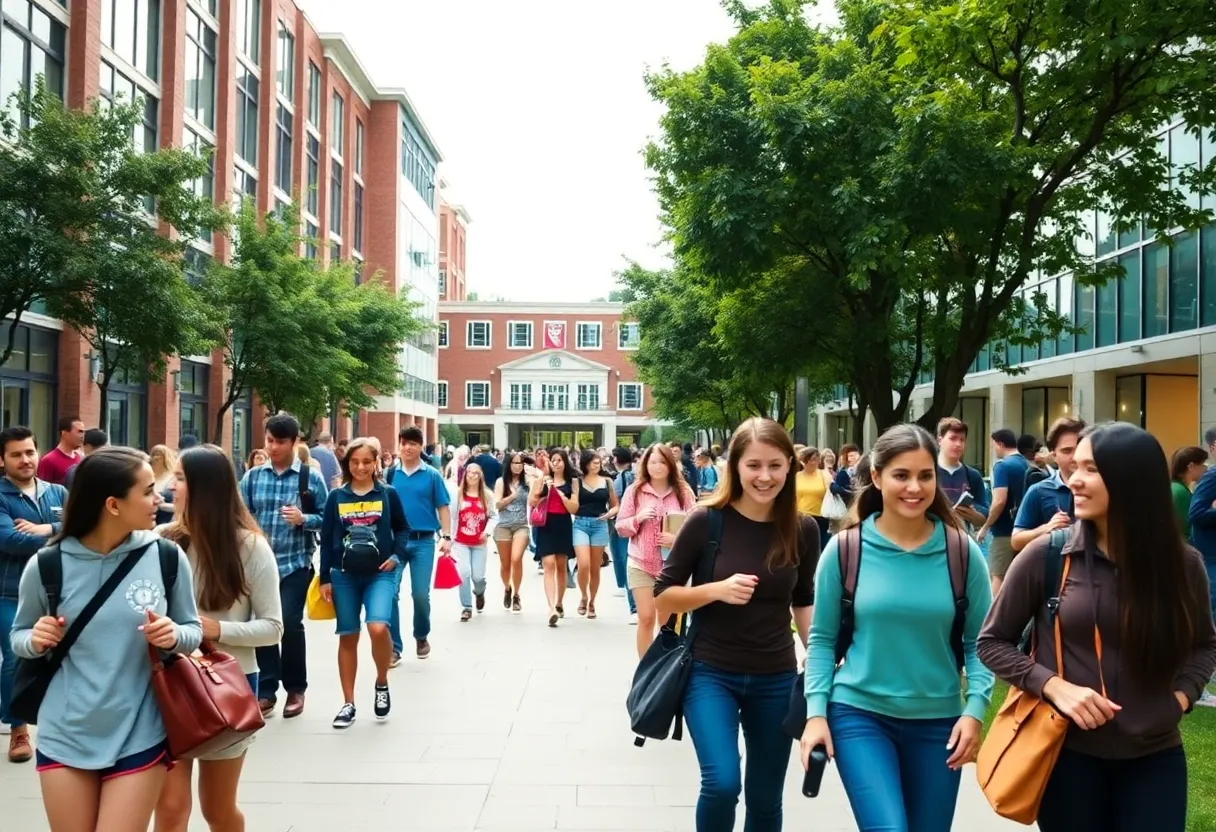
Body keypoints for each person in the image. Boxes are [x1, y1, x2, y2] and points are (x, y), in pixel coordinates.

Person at [978, 422, 1216, 831]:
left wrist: (1178, 699)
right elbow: (992, 642)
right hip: (1067, 756)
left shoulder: (1182, 564)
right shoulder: (1048, 555)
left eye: (1091, 469)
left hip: (1155, 757)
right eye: (1075, 467)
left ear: (1130, 479)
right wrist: (1054, 686)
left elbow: (1204, 646)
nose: (1075, 479)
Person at [801, 424, 994, 832]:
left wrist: (975, 711)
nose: (915, 487)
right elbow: (821, 641)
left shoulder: (962, 552)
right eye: (901, 475)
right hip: (859, 715)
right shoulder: (845, 549)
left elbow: (981, 644)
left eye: (925, 475)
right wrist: (815, 714)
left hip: (939, 721)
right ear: (876, 477)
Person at [11, 447, 202, 832]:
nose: (159, 500)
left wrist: (172, 635)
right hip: (65, 731)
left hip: (141, 728)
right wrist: (36, 639)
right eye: (148, 491)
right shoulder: (47, 563)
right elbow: (19, 635)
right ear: (113, 505)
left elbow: (191, 629)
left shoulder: (165, 556)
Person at [655, 417, 819, 832]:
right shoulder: (706, 521)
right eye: (754, 465)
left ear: (789, 467)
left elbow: (803, 600)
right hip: (710, 673)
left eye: (775, 465)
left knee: (765, 798)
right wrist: (716, 590)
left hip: (777, 677)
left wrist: (817, 658)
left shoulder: (803, 529)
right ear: (736, 468)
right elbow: (664, 595)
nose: (765, 477)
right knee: (723, 783)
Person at [153, 445, 283, 832]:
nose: (170, 486)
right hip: (168, 683)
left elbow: (274, 627)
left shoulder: (251, 547)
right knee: (172, 807)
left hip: (228, 689)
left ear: (204, 487)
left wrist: (217, 630)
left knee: (217, 809)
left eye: (179, 479)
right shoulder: (162, 540)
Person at [240, 413, 328, 719]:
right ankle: (266, 690)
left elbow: (327, 519)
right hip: (258, 566)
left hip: (295, 564)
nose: (273, 447)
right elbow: (241, 515)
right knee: (264, 624)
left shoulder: (309, 478)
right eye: (269, 440)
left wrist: (304, 519)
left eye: (280, 442)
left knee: (289, 623)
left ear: (294, 443)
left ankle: (295, 688)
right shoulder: (252, 477)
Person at [319, 437, 409, 728]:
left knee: (378, 626)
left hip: (380, 573)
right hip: (343, 576)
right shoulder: (337, 497)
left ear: (376, 464)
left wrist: (396, 555)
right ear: (347, 464)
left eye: (366, 462)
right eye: (354, 462)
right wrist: (324, 578)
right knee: (348, 635)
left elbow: (402, 529)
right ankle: (348, 703)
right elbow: (327, 538)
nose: (360, 467)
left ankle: (381, 682)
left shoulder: (388, 494)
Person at [0, 426, 66, 763]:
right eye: (16, 454)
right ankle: (18, 729)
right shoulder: (0, 496)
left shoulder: (57, 492)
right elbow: (10, 541)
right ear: (2, 460)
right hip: (9, 593)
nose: (25, 460)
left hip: (59, 591)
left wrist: (47, 529)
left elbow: (83, 527)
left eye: (30, 452)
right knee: (15, 658)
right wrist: (62, 534)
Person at [616, 444, 696, 656]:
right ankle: (644, 669)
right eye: (653, 462)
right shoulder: (635, 491)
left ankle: (663, 668)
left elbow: (698, 529)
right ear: (645, 464)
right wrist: (638, 519)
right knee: (646, 617)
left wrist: (676, 539)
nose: (657, 467)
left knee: (666, 621)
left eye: (662, 462)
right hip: (640, 562)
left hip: (673, 566)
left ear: (670, 464)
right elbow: (620, 527)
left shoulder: (684, 492)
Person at [385, 426, 452, 661]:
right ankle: (394, 646)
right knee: (390, 593)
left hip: (423, 542)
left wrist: (446, 536)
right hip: (395, 542)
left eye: (412, 443)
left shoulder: (432, 475)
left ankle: (421, 635)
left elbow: (443, 507)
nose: (407, 448)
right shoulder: (390, 475)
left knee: (420, 594)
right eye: (403, 443)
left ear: (420, 446)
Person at [1012, 417, 1086, 553]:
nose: (1075, 456)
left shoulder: (1102, 488)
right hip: (1054, 569)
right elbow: (1016, 540)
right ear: (1054, 455)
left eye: (1079, 448)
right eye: (1067, 451)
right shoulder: (1039, 491)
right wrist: (1046, 529)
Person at [529, 448, 579, 627]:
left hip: (563, 523)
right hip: (546, 524)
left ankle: (559, 602)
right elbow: (531, 502)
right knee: (548, 563)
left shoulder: (572, 482)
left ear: (565, 462)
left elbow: (574, 508)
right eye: (553, 460)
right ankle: (550, 607)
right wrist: (543, 492)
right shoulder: (542, 479)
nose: (556, 463)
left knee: (560, 564)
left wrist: (561, 495)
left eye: (560, 460)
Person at [978, 428, 1030, 595]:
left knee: (998, 577)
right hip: (1025, 531)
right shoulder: (1026, 464)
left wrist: (986, 526)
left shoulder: (1002, 466)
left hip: (1003, 532)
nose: (994, 450)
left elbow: (999, 500)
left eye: (994, 445)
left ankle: (994, 618)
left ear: (1000, 444)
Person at [448, 462, 498, 621]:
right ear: (465, 474)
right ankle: (466, 607)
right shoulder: (458, 495)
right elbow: (451, 517)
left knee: (478, 577)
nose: (472, 475)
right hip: (460, 541)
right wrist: (448, 537)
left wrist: (487, 532)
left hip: (479, 542)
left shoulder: (487, 495)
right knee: (463, 573)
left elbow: (494, 516)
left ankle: (480, 591)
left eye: (476, 473)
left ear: (480, 476)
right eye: (470, 472)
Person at [572, 450, 618, 619]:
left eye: (598, 462)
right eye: (593, 462)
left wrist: (609, 514)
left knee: (595, 567)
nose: (596, 465)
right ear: (585, 464)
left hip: (600, 525)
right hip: (580, 524)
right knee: (583, 564)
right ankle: (583, 596)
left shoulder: (607, 482)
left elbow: (615, 505)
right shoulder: (577, 482)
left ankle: (592, 602)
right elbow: (573, 503)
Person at [934, 418, 989, 531]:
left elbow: (984, 515)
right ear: (940, 440)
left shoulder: (973, 475)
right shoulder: (928, 472)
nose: (958, 444)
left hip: (962, 538)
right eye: (953, 439)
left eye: (962, 440)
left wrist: (973, 516)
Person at [493, 453, 532, 613]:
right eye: (515, 463)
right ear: (509, 464)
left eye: (521, 463)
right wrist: (513, 496)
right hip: (503, 526)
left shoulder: (527, 482)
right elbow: (497, 504)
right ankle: (507, 588)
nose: (518, 466)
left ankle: (516, 594)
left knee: (516, 559)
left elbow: (536, 494)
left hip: (521, 525)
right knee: (505, 564)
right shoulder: (501, 482)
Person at [794, 446, 831, 548]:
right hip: (801, 516)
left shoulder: (824, 474)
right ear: (803, 461)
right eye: (810, 460)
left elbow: (831, 490)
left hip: (821, 516)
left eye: (816, 459)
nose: (813, 462)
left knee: (821, 546)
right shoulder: (797, 476)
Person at [1171, 445, 1208, 539]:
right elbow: (1188, 530)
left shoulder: (1175, 488)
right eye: (1203, 465)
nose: (1205, 469)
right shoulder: (1181, 492)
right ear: (1191, 466)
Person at [34, 416, 83, 486]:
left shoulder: (80, 458)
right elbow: (42, 490)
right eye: (79, 432)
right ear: (64, 433)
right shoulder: (48, 460)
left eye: (83, 432)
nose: (82, 436)